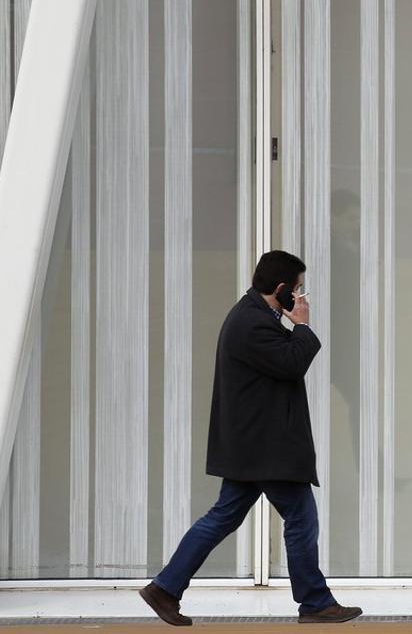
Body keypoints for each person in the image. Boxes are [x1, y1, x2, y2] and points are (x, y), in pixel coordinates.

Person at [139, 250, 362, 626]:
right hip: (266, 447)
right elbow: (293, 363)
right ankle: (315, 602)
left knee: (222, 517)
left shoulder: (253, 316)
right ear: (281, 289)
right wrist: (303, 326)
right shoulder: (253, 324)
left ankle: (164, 588)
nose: (301, 296)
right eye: (298, 289)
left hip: (253, 446)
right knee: (301, 518)